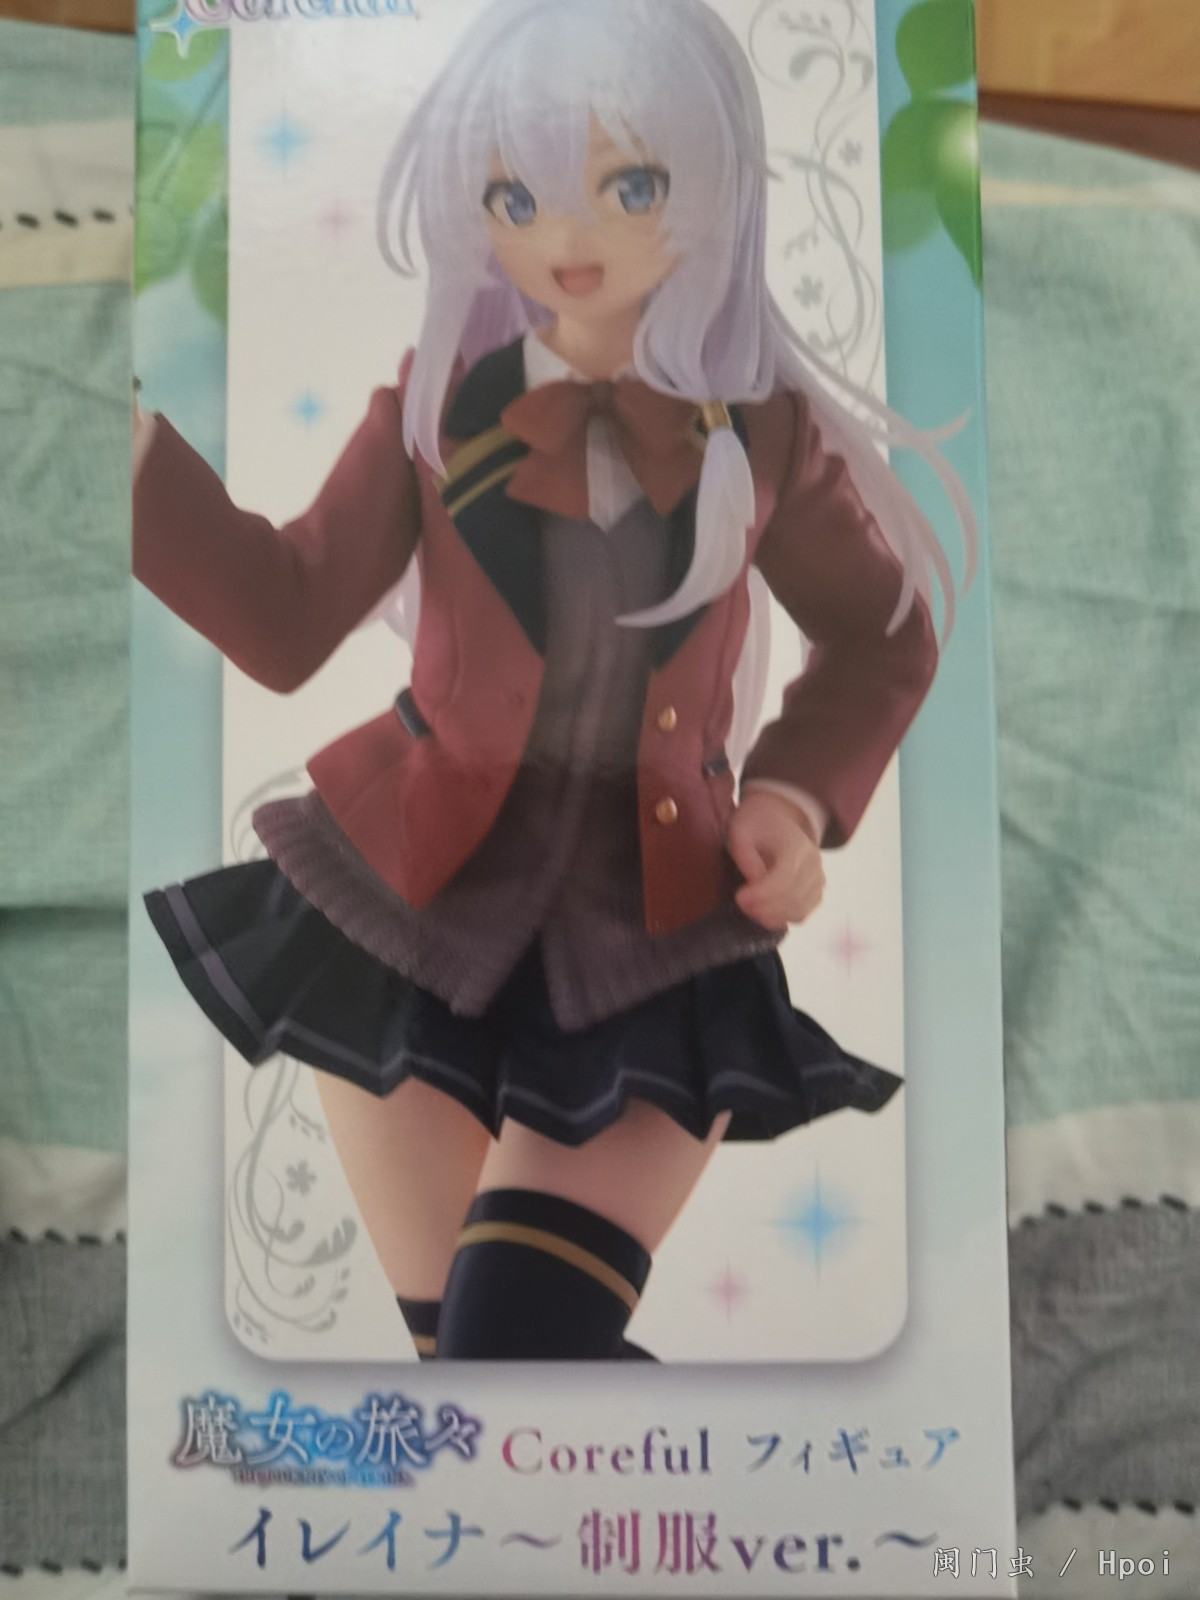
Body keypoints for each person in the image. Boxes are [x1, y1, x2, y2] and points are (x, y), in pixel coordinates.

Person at [132, 0, 975, 1361]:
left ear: (714, 182)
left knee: (516, 1346)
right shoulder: (440, 403)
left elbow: (884, 636)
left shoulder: (757, 432)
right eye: (516, 196)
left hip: (652, 934)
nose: (566, 236)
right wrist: (129, 456)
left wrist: (791, 801)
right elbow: (283, 618)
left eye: (630, 185)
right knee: (473, 1385)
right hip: (407, 913)